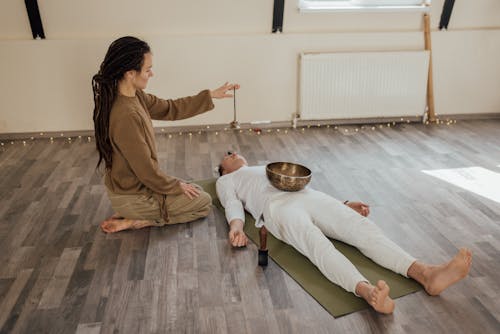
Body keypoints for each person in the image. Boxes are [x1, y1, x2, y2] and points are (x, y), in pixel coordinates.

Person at [215, 152, 472, 314]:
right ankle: (367, 292)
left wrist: (344, 205)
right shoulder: (226, 180)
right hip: (278, 209)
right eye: (226, 156)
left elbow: (300, 184)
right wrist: (237, 227)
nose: (232, 153)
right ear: (224, 170)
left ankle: (427, 274)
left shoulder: (264, 166)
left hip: (310, 197)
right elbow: (232, 203)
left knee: (363, 229)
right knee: (318, 247)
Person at [92, 36, 239, 233]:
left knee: (195, 190)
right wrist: (176, 186)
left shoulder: (135, 96)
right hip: (134, 196)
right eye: (147, 69)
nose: (151, 74)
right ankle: (138, 220)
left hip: (133, 188)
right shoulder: (126, 116)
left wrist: (210, 95)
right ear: (129, 73)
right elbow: (147, 172)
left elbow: (170, 108)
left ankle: (139, 213)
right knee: (203, 203)